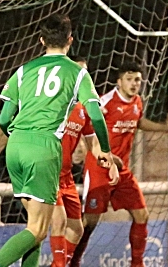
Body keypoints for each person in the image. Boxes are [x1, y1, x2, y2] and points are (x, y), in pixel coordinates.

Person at [0, 14, 116, 267]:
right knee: (36, 229)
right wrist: (106, 150)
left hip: (15, 146)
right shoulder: (77, 73)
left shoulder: (23, 70)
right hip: (43, 148)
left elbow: (3, 118)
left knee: (36, 229)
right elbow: (97, 117)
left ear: (41, 39)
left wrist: (18, 139)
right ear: (70, 40)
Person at [70, 61, 168, 267]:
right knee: (89, 222)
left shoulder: (137, 102)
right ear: (119, 81)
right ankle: (73, 262)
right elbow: (86, 122)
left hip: (122, 169)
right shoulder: (105, 102)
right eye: (130, 79)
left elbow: (138, 121)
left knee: (142, 214)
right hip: (99, 168)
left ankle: (137, 264)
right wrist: (83, 147)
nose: (134, 84)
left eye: (138, 80)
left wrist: (163, 128)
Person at [49, 58, 120, 267]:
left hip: (66, 176)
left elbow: (93, 145)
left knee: (77, 229)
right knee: (56, 223)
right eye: (78, 71)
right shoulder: (52, 101)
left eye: (85, 72)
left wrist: (109, 161)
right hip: (47, 172)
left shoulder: (84, 109)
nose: (82, 76)